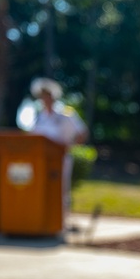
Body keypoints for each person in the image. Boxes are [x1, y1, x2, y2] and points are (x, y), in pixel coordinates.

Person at [27, 77, 88, 215]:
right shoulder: (39, 116)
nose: (45, 99)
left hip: (60, 160)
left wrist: (69, 147)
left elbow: (82, 133)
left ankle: (60, 221)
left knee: (60, 189)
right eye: (42, 96)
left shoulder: (66, 113)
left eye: (47, 95)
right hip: (41, 161)